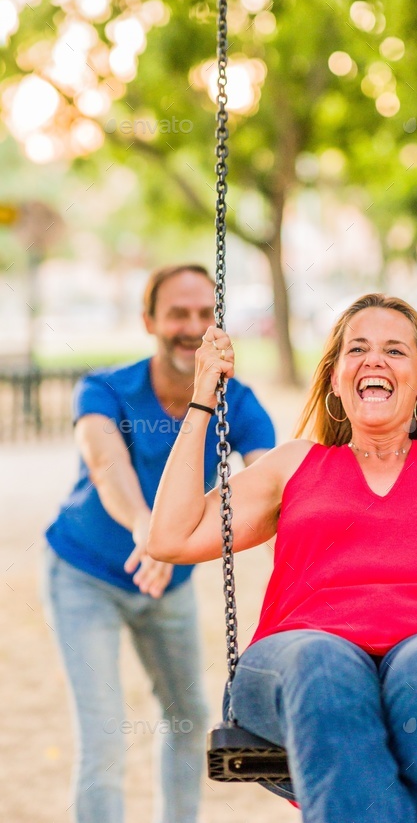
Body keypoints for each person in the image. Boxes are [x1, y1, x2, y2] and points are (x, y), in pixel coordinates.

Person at [147, 293, 417, 823]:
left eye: (395, 351)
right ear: (336, 379)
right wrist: (203, 402)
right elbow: (171, 536)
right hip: (302, 658)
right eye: (357, 348)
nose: (374, 360)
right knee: (324, 665)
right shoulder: (293, 465)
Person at [44, 264, 275, 823]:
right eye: (177, 313)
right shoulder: (105, 389)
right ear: (149, 320)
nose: (191, 327)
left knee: (187, 717)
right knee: (103, 732)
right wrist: (147, 530)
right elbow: (106, 465)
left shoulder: (237, 402)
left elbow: (270, 484)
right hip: (85, 574)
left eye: (204, 314)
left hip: (167, 582)